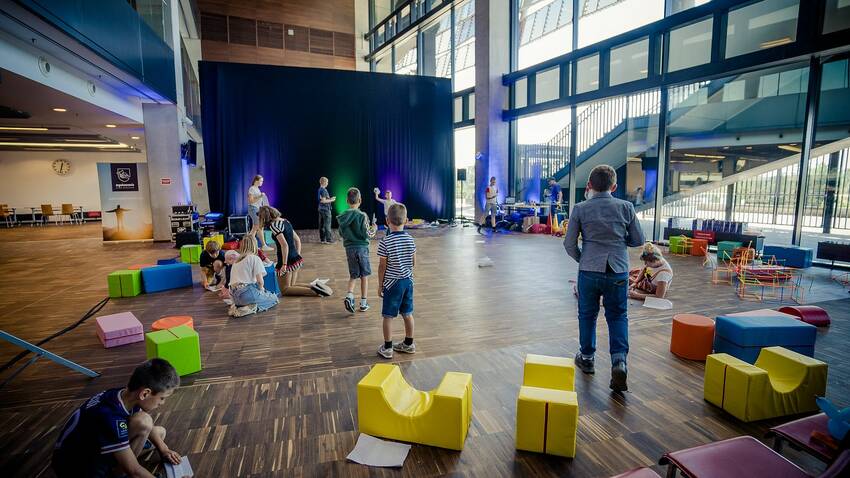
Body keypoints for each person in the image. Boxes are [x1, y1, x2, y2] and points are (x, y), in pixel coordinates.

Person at [563, 164, 645, 393]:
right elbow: (638, 240)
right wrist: (620, 242)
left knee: (587, 314)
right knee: (618, 316)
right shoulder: (626, 207)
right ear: (614, 186)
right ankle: (619, 362)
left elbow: (569, 244)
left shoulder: (580, 208)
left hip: (589, 270)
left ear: (589, 185)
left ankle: (587, 358)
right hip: (618, 270)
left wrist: (583, 258)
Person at [52, 358, 181, 478]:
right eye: (162, 398)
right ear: (145, 393)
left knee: (159, 432)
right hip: (78, 468)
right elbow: (134, 471)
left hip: (92, 448)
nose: (162, 403)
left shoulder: (125, 394)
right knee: (144, 423)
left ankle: (122, 459)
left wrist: (164, 450)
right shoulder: (109, 417)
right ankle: (117, 473)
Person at [258, 205, 332, 297]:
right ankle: (315, 286)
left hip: (287, 260)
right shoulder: (285, 221)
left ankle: (316, 292)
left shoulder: (274, 226)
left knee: (285, 290)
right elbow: (297, 240)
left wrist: (284, 264)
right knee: (292, 286)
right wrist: (297, 255)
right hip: (295, 258)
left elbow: (284, 245)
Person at [377, 203, 417, 359]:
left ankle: (387, 348)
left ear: (387, 221)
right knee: (408, 313)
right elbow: (413, 262)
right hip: (408, 282)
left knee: (388, 316)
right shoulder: (410, 239)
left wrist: (380, 285)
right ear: (406, 221)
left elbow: (382, 266)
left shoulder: (385, 242)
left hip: (392, 284)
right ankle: (409, 344)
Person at [338, 187, 374, 313]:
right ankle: (363, 303)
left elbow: (341, 233)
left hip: (349, 249)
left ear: (347, 201)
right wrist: (374, 229)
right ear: (360, 200)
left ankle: (349, 295)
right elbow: (367, 234)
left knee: (353, 275)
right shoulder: (362, 215)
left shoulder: (342, 216)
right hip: (362, 248)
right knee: (364, 275)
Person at [228, 236, 279, 317]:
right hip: (247, 293)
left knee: (260, 295)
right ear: (255, 245)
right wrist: (262, 291)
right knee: (274, 298)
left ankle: (237, 307)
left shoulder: (236, 261)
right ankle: (251, 308)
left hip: (234, 297)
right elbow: (260, 282)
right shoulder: (254, 258)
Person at [247, 175, 272, 251]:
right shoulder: (252, 189)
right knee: (259, 227)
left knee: (255, 229)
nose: (262, 182)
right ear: (256, 181)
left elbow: (259, 202)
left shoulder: (257, 189)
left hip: (257, 209)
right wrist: (260, 196)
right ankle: (263, 245)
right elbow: (251, 201)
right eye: (261, 181)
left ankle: (249, 245)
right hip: (253, 209)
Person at [317, 177, 336, 244]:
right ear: (324, 182)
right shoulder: (324, 190)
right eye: (327, 182)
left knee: (321, 225)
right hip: (325, 210)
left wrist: (330, 198)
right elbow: (323, 201)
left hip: (320, 209)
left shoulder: (319, 189)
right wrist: (332, 200)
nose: (327, 183)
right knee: (327, 225)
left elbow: (322, 199)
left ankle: (322, 239)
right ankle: (328, 240)